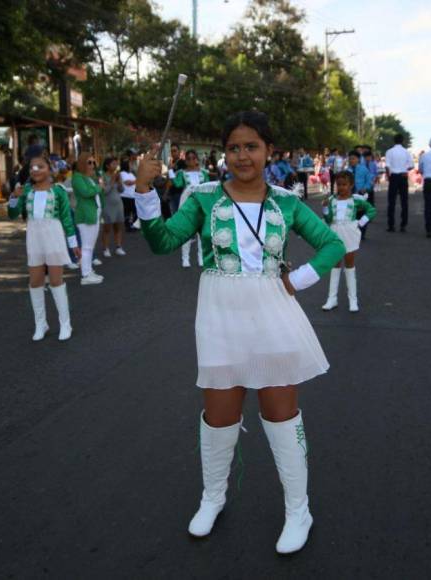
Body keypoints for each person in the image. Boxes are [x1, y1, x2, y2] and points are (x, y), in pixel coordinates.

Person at [132, 111, 345, 554]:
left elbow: (333, 244)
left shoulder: (287, 201)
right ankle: (213, 497)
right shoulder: (203, 196)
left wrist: (298, 279)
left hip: (273, 313)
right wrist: (143, 189)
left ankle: (298, 509)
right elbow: (163, 242)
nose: (242, 156)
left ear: (269, 151)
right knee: (221, 414)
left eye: (252, 146)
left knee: (281, 415)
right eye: (233, 147)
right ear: (223, 153)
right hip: (220, 315)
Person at [7, 155, 78, 341]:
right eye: (32, 167)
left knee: (56, 281)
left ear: (50, 169)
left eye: (40, 166)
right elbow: (13, 215)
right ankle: (41, 323)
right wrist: (14, 198)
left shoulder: (59, 191)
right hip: (34, 237)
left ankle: (65, 323)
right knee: (35, 282)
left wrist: (73, 244)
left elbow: (67, 220)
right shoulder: (26, 190)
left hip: (53, 235)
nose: (35, 170)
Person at [320, 171, 377, 312]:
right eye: (338, 185)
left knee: (349, 265)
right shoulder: (332, 199)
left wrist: (360, 223)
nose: (341, 187)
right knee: (335, 264)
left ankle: (353, 299)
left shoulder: (356, 200)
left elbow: (371, 210)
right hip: (334, 231)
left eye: (344, 184)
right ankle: (332, 298)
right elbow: (328, 219)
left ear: (351, 185)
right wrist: (325, 207)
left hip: (349, 232)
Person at [172, 149, 210, 267]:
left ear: (197, 159)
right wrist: (171, 173)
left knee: (201, 232)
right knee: (187, 230)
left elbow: (208, 187)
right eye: (189, 159)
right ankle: (185, 258)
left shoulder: (204, 172)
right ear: (186, 161)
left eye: (194, 158)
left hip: (201, 203)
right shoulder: (181, 173)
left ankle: (201, 258)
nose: (191, 160)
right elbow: (177, 184)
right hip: (187, 203)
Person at [72, 152, 105, 285]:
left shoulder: (89, 178)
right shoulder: (77, 177)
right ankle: (85, 275)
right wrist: (98, 187)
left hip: (93, 214)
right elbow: (86, 192)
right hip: (85, 216)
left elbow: (95, 192)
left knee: (90, 246)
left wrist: (97, 186)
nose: (92, 165)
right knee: (86, 246)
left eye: (93, 162)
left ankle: (89, 271)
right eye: (89, 162)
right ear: (82, 163)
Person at [385, 134, 414, 233]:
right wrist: (405, 169)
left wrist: (388, 176)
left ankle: (391, 225)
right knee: (404, 201)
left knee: (391, 202)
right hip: (403, 176)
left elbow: (387, 166)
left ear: (394, 141)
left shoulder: (389, 151)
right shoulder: (406, 152)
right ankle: (403, 225)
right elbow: (411, 165)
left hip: (394, 177)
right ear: (403, 141)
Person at [100, 156, 126, 258]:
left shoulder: (117, 176)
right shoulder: (102, 176)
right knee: (107, 227)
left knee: (118, 227)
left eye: (116, 163)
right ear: (107, 166)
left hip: (118, 204)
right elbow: (105, 191)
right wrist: (112, 180)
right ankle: (105, 248)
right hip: (107, 205)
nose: (116, 166)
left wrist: (119, 182)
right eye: (113, 164)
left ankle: (118, 247)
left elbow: (122, 190)